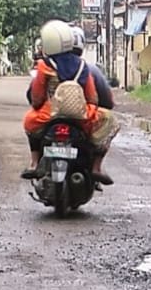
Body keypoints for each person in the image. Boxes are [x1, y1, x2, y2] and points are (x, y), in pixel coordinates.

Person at [20, 19, 119, 184]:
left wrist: (42, 105)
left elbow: (36, 98)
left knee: (29, 122)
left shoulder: (44, 65)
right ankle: (96, 167)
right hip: (81, 115)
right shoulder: (82, 66)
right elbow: (93, 98)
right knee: (110, 120)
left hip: (50, 114)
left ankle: (34, 163)